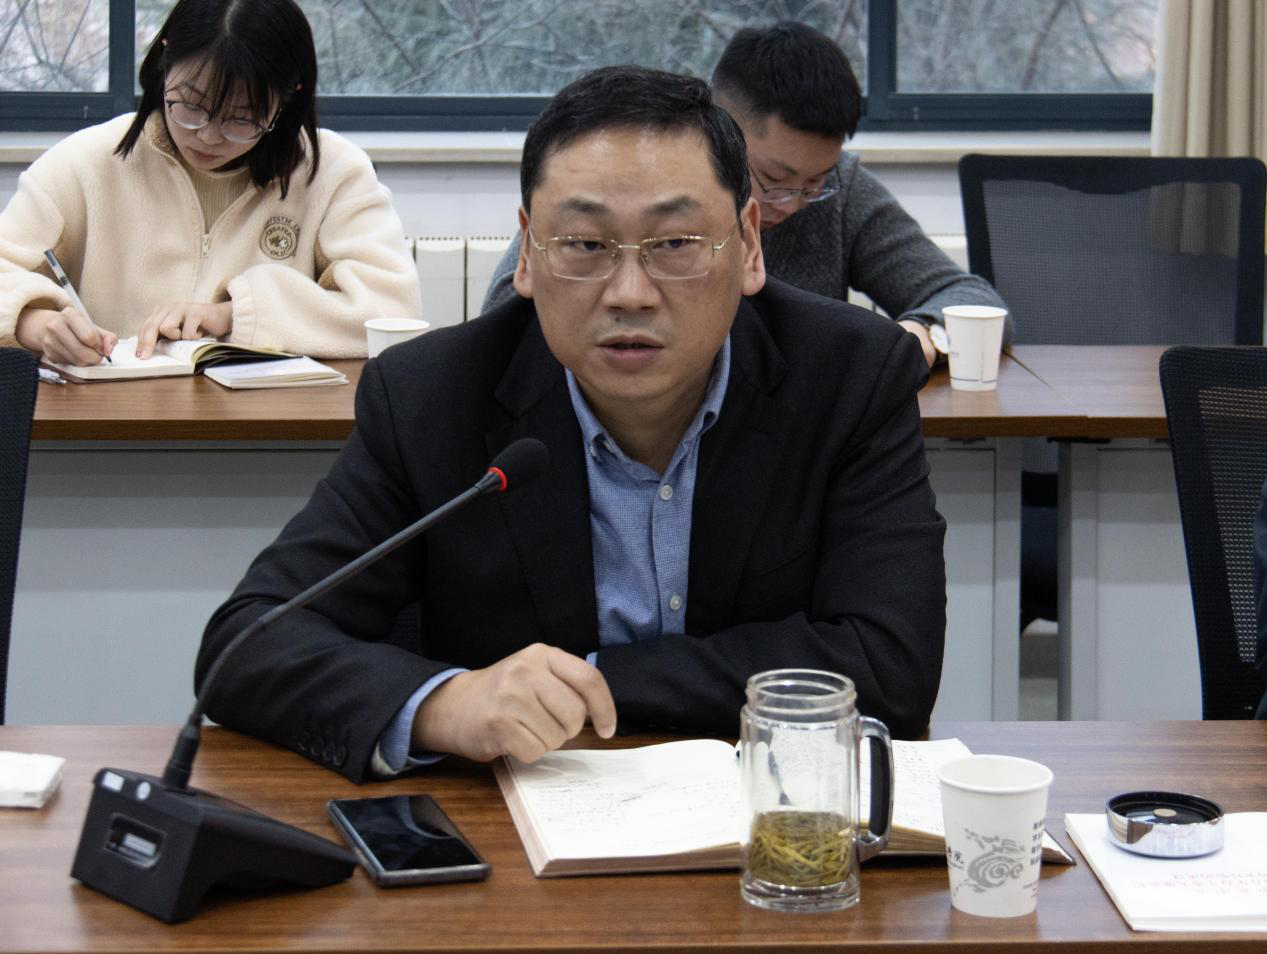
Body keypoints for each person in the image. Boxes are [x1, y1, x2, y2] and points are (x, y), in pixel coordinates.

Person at [199, 65, 946, 782]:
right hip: (512, 832)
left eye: (676, 244)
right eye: (585, 245)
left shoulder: (851, 377)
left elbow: (890, 668)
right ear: (526, 253)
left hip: (773, 821)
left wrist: (597, 682)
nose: (630, 293)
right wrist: (442, 705)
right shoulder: (431, 397)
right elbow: (248, 646)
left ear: (748, 244)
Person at [482, 21, 1009, 367]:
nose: (793, 202)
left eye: (814, 182)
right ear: (721, 131)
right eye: (773, 178)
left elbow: (972, 301)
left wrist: (925, 334)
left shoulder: (840, 190)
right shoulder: (645, 182)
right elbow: (504, 316)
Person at [0, 0, 419, 366]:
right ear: (164, 62)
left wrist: (233, 315)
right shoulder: (86, 163)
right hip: (110, 418)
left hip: (276, 421)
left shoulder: (332, 172)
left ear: (288, 97)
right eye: (190, 106)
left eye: (242, 118)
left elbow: (393, 312)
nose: (209, 135)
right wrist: (37, 324)